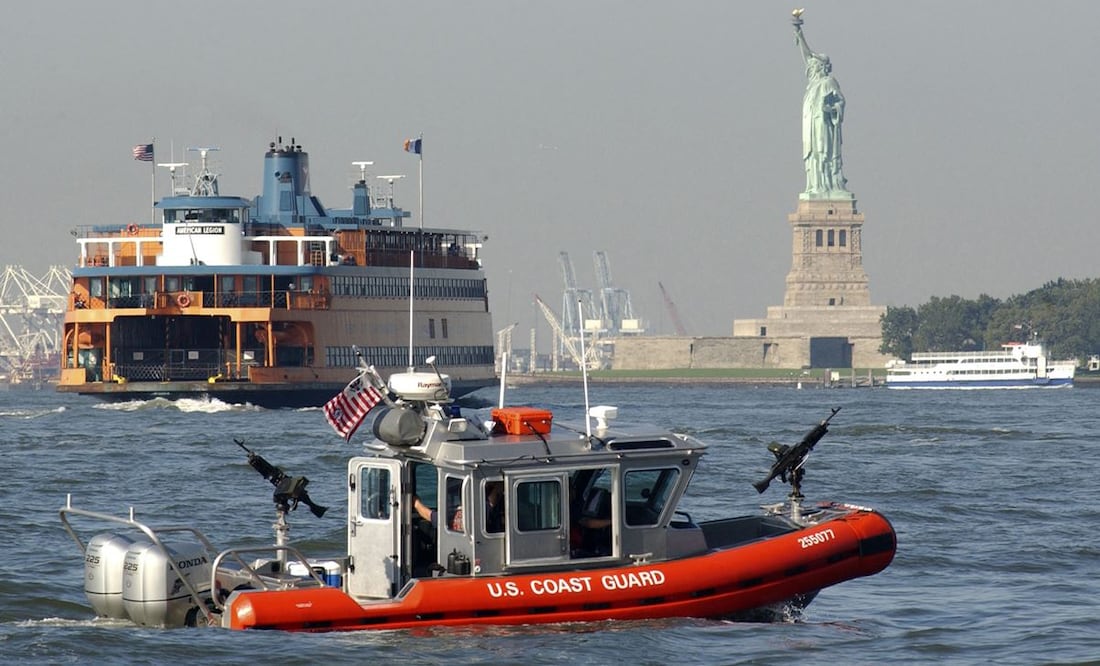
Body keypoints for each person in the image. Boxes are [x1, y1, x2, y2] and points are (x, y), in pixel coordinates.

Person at [793, 17, 849, 197]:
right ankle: (816, 186)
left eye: (815, 64)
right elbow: (807, 56)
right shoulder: (812, 85)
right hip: (811, 129)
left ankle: (829, 185)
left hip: (824, 128)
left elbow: (840, 101)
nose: (811, 66)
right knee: (813, 157)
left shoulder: (827, 82)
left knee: (824, 154)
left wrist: (831, 110)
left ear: (822, 67)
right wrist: (799, 34)